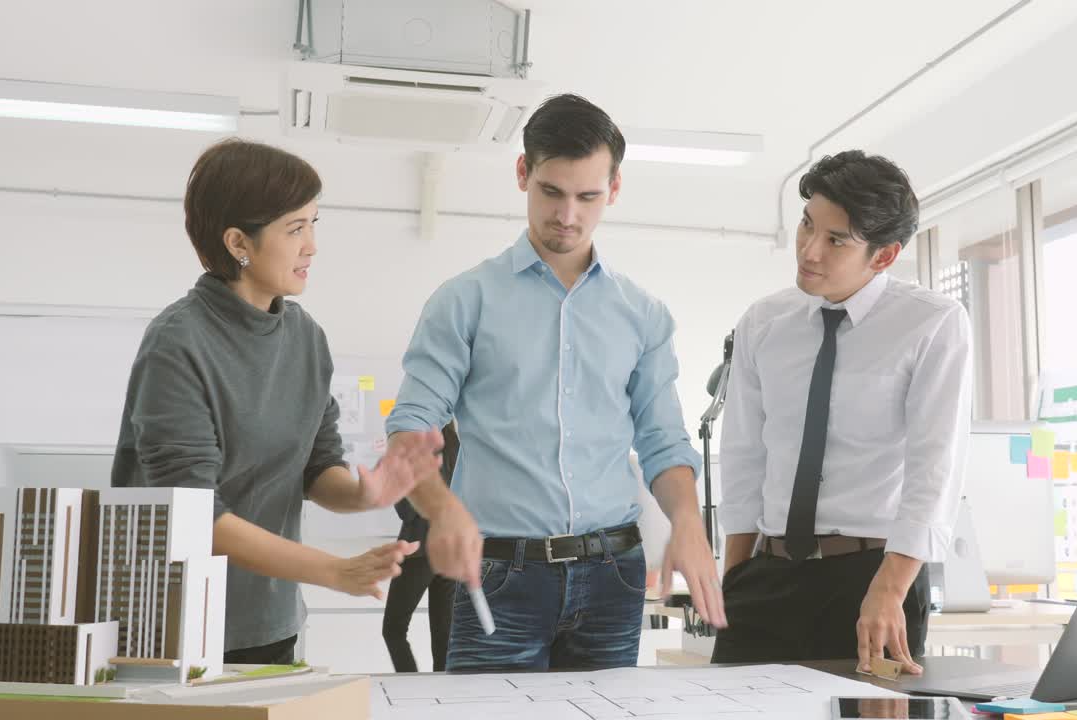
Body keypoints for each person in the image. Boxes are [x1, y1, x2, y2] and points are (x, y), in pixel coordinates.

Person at [386, 93, 726, 672]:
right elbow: (410, 425)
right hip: (498, 574)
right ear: (524, 173)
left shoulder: (641, 315)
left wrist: (688, 523)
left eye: (588, 196)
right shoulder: (465, 301)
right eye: (552, 192)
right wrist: (441, 509)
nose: (567, 215)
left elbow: (664, 441)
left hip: (613, 574)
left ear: (613, 190)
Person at [111, 139, 444, 665]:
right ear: (239, 242)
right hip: (173, 628)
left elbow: (316, 469)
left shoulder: (306, 338)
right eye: (295, 228)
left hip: (270, 621)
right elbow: (194, 513)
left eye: (315, 223)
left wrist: (369, 492)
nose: (312, 246)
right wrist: (334, 570)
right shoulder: (178, 343)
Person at [711, 150, 972, 674]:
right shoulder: (765, 321)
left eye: (835, 240)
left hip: (872, 579)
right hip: (765, 575)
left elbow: (934, 469)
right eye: (807, 226)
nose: (809, 250)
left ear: (883, 255)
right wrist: (733, 578)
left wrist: (889, 590)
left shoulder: (932, 324)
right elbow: (742, 456)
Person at [382, 421, 459, 672]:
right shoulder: (456, 446)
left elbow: (405, 510)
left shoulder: (413, 450)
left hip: (419, 551)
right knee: (443, 633)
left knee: (393, 628)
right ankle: (442, 694)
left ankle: (409, 684)